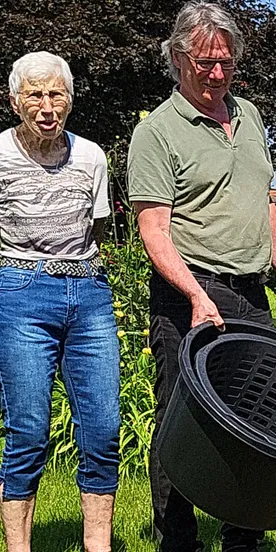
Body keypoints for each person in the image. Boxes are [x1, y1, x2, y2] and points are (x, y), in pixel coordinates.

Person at [127, 3, 276, 551]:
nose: (216, 73)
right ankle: (177, 539)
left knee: (255, 420)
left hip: (250, 292)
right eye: (205, 62)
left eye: (225, 62)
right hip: (190, 293)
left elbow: (263, 207)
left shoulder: (249, 116)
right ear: (179, 58)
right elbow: (154, 229)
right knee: (181, 423)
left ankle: (242, 540)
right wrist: (195, 295)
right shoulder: (158, 132)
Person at [0, 51, 120, 552]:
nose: (47, 107)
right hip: (19, 290)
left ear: (69, 100)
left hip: (88, 292)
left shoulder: (92, 157)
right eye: (35, 95)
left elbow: (97, 228)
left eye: (56, 95)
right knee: (27, 429)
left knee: (104, 427)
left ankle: (99, 546)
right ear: (14, 101)